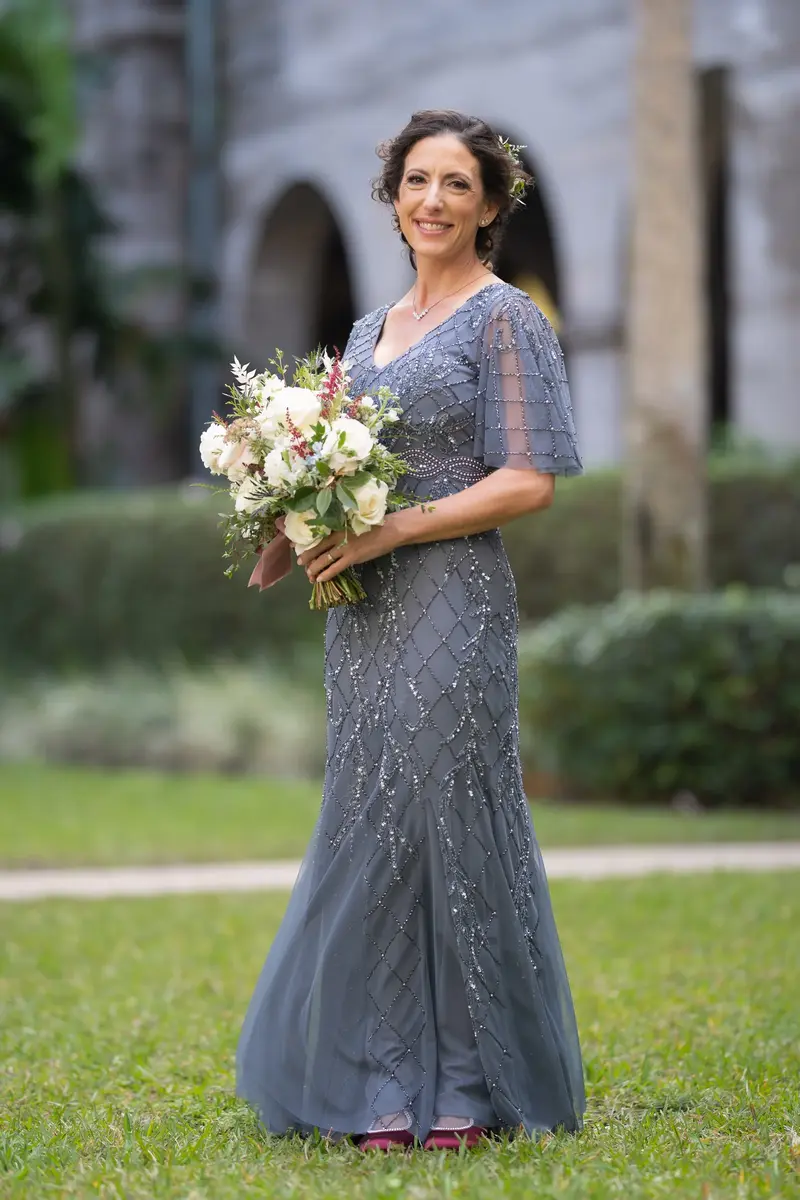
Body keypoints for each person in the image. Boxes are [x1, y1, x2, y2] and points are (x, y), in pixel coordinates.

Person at [237, 109, 586, 1152]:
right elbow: (338, 469)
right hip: (362, 614)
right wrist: (284, 520)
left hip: (452, 600)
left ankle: (468, 1087)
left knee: (449, 821)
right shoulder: (363, 333)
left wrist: (394, 528)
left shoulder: (505, 320)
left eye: (456, 185)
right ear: (392, 198)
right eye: (416, 181)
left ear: (487, 207)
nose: (432, 201)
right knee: (374, 822)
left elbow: (527, 483)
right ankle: (386, 1085)